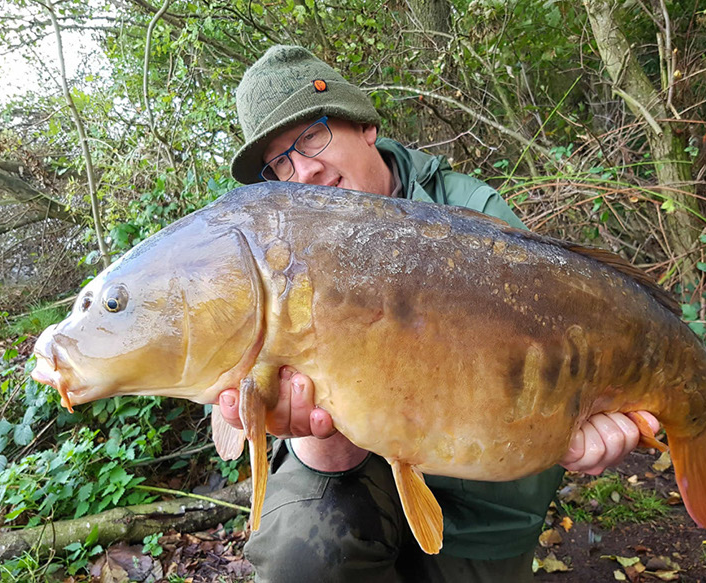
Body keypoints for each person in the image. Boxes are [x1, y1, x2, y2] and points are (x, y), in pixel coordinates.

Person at [216, 45, 660, 582]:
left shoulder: (471, 213)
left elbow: (568, 339)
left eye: (312, 135)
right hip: (355, 467)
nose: (304, 170)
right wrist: (286, 423)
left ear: (365, 126)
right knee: (298, 557)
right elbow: (231, 364)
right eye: (280, 161)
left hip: (479, 502)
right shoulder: (277, 245)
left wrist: (590, 417)